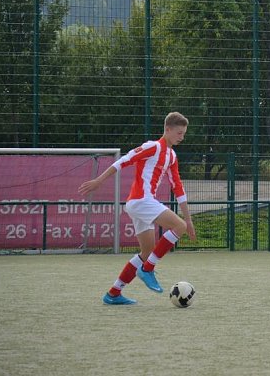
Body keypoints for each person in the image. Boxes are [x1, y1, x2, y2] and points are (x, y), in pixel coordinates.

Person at [78, 112, 196, 305]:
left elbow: (178, 186)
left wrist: (189, 218)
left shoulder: (172, 156)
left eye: (183, 134)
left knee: (147, 251)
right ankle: (148, 269)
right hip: (142, 201)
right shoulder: (153, 146)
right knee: (179, 227)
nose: (181, 137)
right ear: (167, 129)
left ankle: (113, 293)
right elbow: (125, 159)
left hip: (141, 204)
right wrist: (99, 180)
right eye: (179, 133)